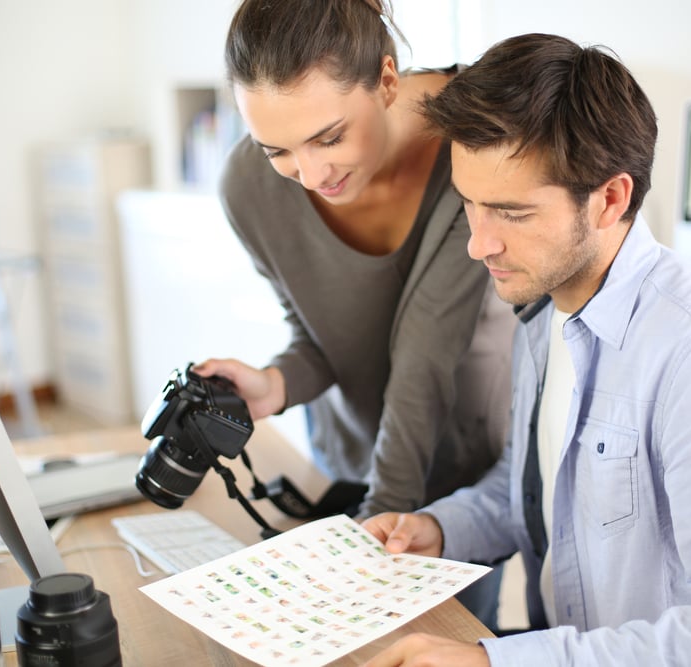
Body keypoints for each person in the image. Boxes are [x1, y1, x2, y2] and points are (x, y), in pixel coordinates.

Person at [362, 32, 691, 666]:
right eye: (469, 204)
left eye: (510, 213)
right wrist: (438, 528)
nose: (477, 244)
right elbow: (535, 487)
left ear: (610, 199)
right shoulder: (544, 307)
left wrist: (501, 662)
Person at [194, 0, 515, 628]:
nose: (310, 175)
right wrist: (274, 385)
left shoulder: (477, 142)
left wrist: (381, 522)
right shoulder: (248, 189)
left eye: (328, 137)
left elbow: (427, 355)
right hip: (352, 456)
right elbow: (319, 334)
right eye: (276, 149)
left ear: (388, 81)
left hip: (460, 473)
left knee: (450, 637)